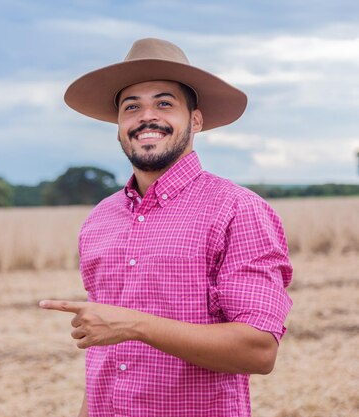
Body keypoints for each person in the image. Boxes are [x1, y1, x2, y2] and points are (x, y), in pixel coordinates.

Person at [39, 38, 293, 417]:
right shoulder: (99, 220)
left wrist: (134, 325)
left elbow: (258, 350)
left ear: (195, 120)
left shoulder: (239, 210)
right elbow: (106, 357)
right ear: (119, 125)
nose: (146, 117)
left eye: (164, 103)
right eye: (131, 107)